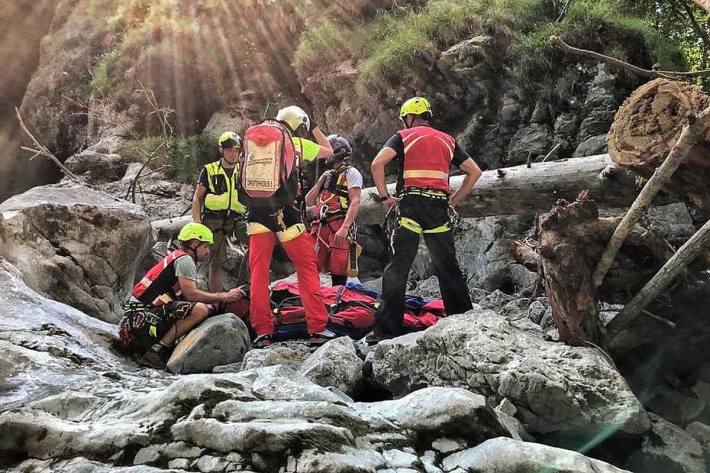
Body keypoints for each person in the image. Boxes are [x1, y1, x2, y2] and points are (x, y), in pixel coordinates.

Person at [367, 97, 482, 343]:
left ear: (408, 117)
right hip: (438, 208)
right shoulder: (448, 140)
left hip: (409, 206)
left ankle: (386, 331)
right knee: (447, 267)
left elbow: (377, 164)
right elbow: (475, 172)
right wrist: (456, 200)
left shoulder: (403, 136)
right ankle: (463, 321)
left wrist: (385, 197)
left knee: (398, 268)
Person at [241, 105, 337, 348]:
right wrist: (314, 126)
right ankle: (317, 327)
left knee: (259, 272)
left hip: (256, 211)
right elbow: (329, 150)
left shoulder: (257, 141)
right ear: (298, 125)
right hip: (284, 212)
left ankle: (263, 332)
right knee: (306, 266)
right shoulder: (297, 143)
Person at [117, 222, 246, 369]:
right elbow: (191, 295)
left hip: (134, 321)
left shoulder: (176, 257)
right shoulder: (185, 260)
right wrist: (224, 296)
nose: (208, 251)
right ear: (195, 244)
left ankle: (161, 347)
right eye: (205, 246)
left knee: (198, 308)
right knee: (200, 310)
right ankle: (157, 350)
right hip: (142, 322)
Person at [191, 131, 248, 292]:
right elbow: (197, 198)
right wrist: (198, 224)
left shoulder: (244, 170)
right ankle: (216, 299)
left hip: (238, 218)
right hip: (213, 218)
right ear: (221, 150)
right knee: (215, 261)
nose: (233, 154)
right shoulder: (209, 170)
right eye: (229, 150)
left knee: (256, 246)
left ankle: (249, 288)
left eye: (236, 150)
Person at [305, 133, 363, 286]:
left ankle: (337, 300)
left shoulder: (352, 173)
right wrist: (319, 183)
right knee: (312, 263)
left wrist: (345, 228)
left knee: (339, 267)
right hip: (320, 225)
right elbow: (308, 201)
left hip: (339, 224)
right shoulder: (327, 176)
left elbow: (355, 201)